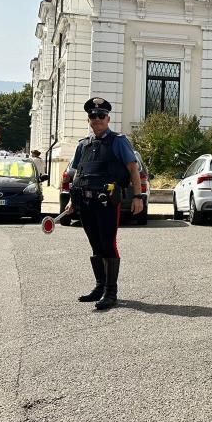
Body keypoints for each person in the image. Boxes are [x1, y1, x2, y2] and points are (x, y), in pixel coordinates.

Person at [63, 97, 144, 310]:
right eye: (93, 116)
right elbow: (77, 174)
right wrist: (72, 200)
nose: (97, 119)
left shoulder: (118, 141)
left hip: (107, 202)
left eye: (101, 115)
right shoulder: (83, 145)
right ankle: (99, 287)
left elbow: (133, 169)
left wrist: (138, 197)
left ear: (108, 118)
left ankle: (111, 292)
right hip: (86, 203)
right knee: (95, 245)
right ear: (88, 119)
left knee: (108, 244)